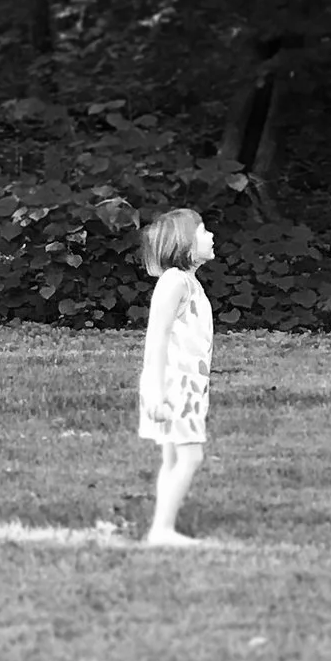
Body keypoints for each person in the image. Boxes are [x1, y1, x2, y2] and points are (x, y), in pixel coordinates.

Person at [136, 205, 215, 546]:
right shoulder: (174, 282)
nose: (211, 236)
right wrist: (155, 391)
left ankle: (161, 527)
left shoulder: (189, 283)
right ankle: (162, 530)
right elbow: (157, 337)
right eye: (202, 232)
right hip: (173, 384)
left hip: (189, 385)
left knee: (173, 457)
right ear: (183, 244)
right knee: (190, 456)